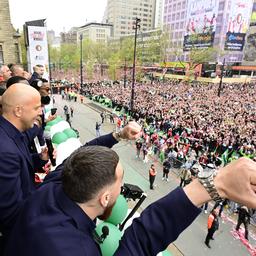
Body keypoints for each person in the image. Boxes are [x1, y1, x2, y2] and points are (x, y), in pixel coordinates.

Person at [4, 153, 256, 256]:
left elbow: (77, 156)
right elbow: (135, 246)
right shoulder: (74, 250)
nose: (121, 192)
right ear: (104, 198)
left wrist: (116, 136)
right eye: (119, 185)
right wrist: (213, 185)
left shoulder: (50, 187)